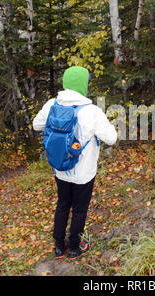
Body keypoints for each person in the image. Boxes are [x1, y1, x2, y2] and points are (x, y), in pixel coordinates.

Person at [33, 66, 117, 259]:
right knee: (79, 208)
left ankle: (58, 246)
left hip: (60, 167)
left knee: (63, 203)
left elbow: (37, 124)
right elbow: (111, 138)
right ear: (83, 85)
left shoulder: (52, 104)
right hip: (84, 172)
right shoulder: (92, 111)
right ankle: (73, 247)